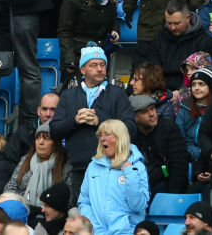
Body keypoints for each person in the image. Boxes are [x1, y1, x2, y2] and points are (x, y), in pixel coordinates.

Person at [50, 44, 136, 197]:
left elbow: (131, 129)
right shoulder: (68, 95)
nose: (100, 68)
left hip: (112, 168)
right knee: (82, 216)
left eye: (103, 65)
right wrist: (75, 120)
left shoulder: (118, 94)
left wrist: (101, 122)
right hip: (78, 169)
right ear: (82, 70)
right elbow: (54, 130)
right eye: (94, 65)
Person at [77, 119, 149, 235]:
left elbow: (138, 206)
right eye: (100, 135)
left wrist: (129, 172)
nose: (102, 138)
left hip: (126, 232)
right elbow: (84, 202)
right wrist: (95, 227)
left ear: (120, 138)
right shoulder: (93, 166)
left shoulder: (137, 167)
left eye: (107, 134)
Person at [134, 0, 212, 91]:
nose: (172, 27)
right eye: (169, 23)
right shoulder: (160, 39)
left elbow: (208, 77)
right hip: (162, 91)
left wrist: (182, 92)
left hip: (192, 92)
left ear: (188, 18)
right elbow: (152, 70)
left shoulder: (205, 42)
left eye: (177, 23)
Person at [58, 0, 119, 81]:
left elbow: (114, 21)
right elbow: (64, 32)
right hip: (77, 58)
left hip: (100, 56)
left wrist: (115, 31)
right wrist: (69, 59)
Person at [129, 94, 189, 195]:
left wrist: (170, 196)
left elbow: (179, 165)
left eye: (152, 109)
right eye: (144, 112)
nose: (152, 114)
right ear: (135, 118)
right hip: (139, 186)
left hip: (166, 183)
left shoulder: (168, 128)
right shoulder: (130, 133)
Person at [4, 123, 71, 208]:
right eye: (38, 138)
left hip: (52, 214)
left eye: (46, 138)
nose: (41, 142)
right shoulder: (25, 160)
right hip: (22, 209)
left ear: (55, 143)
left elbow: (69, 197)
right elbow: (10, 187)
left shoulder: (65, 164)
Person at [176, 67, 212, 164]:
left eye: (201, 84)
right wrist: (193, 153)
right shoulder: (185, 107)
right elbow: (180, 138)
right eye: (193, 85)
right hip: (189, 157)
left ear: (210, 87)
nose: (196, 88)